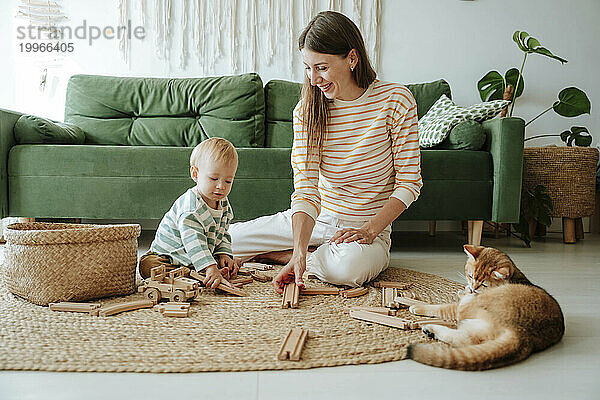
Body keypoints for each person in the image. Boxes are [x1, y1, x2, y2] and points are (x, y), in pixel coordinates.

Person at [230, 11, 422, 293]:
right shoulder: (307, 111)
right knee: (226, 239)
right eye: (307, 68)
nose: (313, 78)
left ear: (352, 59)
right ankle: (298, 255)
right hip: (320, 220)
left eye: (321, 67)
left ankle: (279, 255)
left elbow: (409, 184)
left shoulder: (395, 101)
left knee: (346, 270)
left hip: (366, 230)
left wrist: (369, 230)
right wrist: (298, 250)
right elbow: (306, 189)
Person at [139, 137, 239, 289]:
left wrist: (224, 254)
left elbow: (223, 233)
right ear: (195, 174)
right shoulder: (191, 207)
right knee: (148, 266)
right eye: (214, 178)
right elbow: (194, 240)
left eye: (228, 181)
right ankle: (200, 272)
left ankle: (199, 271)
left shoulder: (223, 203)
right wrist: (210, 267)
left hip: (194, 255)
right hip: (167, 257)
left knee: (212, 260)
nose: (221, 186)